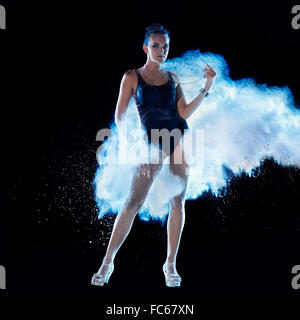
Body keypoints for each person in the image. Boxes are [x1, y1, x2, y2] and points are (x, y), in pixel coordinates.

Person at [91, 23, 216, 287]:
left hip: (177, 139)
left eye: (166, 46)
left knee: (177, 202)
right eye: (156, 46)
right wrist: (136, 149)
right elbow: (120, 117)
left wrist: (207, 87)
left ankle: (170, 265)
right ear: (146, 48)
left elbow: (182, 113)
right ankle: (107, 263)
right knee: (133, 203)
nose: (162, 50)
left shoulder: (173, 78)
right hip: (151, 144)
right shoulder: (132, 77)